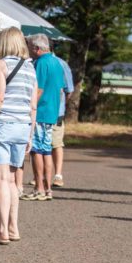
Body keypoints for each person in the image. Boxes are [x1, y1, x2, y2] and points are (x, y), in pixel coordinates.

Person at [0, 27, 37, 245]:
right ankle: (13, 227)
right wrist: (30, 133)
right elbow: (33, 105)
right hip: (23, 127)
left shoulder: (0, 65)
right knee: (12, 179)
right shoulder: (30, 68)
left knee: (1, 179)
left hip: (3, 125)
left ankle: (2, 230)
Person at [22, 33, 64, 202]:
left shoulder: (40, 63)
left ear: (37, 48)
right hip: (52, 112)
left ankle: (39, 187)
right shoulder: (57, 63)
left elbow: (37, 90)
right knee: (46, 150)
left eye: (31, 47)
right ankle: (47, 189)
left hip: (39, 112)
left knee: (36, 151)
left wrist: (29, 109)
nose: (30, 50)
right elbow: (61, 90)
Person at [53, 48, 74, 187]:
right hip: (39, 111)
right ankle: (40, 176)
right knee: (39, 145)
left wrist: (60, 104)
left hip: (56, 112)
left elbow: (69, 90)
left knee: (56, 143)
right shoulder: (34, 63)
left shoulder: (61, 64)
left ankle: (58, 174)